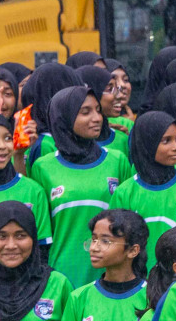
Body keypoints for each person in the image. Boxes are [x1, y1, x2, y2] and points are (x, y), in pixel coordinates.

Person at [30, 85, 133, 291]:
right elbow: (41, 235)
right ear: (64, 118)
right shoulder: (43, 167)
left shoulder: (117, 161)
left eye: (97, 110)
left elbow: (129, 224)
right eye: (85, 112)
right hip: (62, 276)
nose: (96, 118)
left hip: (111, 274)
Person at [112, 111, 176, 256]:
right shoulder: (125, 192)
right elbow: (117, 244)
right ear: (147, 144)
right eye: (166, 141)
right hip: (140, 277)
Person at [0, 111, 51, 260]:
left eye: (8, 138)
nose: (2, 146)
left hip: (24, 283)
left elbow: (42, 250)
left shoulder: (33, 191)